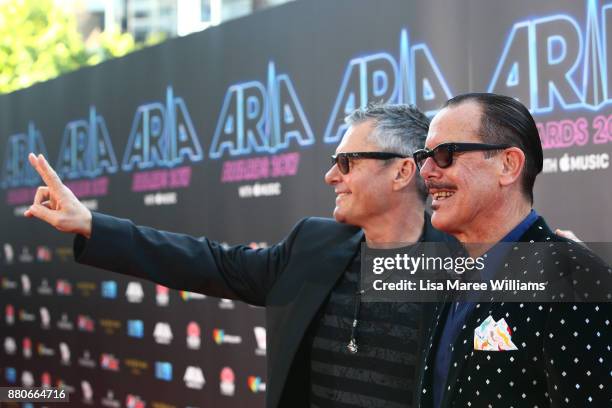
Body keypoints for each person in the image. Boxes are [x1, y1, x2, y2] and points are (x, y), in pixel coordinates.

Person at [25, 104, 446, 408]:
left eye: (347, 162)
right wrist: (91, 224)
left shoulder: (466, 266)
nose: (331, 175)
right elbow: (208, 262)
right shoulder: (314, 245)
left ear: (403, 171)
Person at [414, 93, 610, 407]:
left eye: (445, 153)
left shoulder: (574, 279)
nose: (425, 171)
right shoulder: (453, 273)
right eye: (424, 155)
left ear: (508, 165)